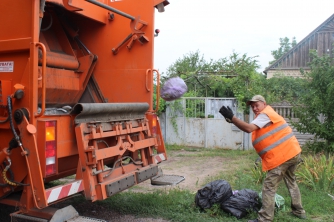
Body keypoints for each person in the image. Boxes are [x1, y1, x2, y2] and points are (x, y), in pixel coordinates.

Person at [219, 95, 306, 222]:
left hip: (283, 156)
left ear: (264, 104)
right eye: (252, 106)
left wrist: (233, 118)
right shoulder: (265, 115)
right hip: (292, 152)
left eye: (257, 105)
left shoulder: (265, 115)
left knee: (269, 187)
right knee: (291, 182)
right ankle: (299, 211)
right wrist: (233, 121)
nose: (254, 108)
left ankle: (264, 219)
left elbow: (248, 129)